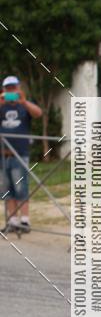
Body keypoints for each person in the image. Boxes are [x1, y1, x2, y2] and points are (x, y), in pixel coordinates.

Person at [0, 75, 42, 232]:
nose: (11, 91)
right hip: (2, 155)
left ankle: (24, 221)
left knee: (20, 187)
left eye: (13, 88)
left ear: (19, 88)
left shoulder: (24, 105)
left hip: (20, 153)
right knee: (6, 189)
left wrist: (23, 101)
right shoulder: (1, 106)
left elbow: (38, 113)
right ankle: (13, 221)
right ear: (4, 90)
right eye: (8, 89)